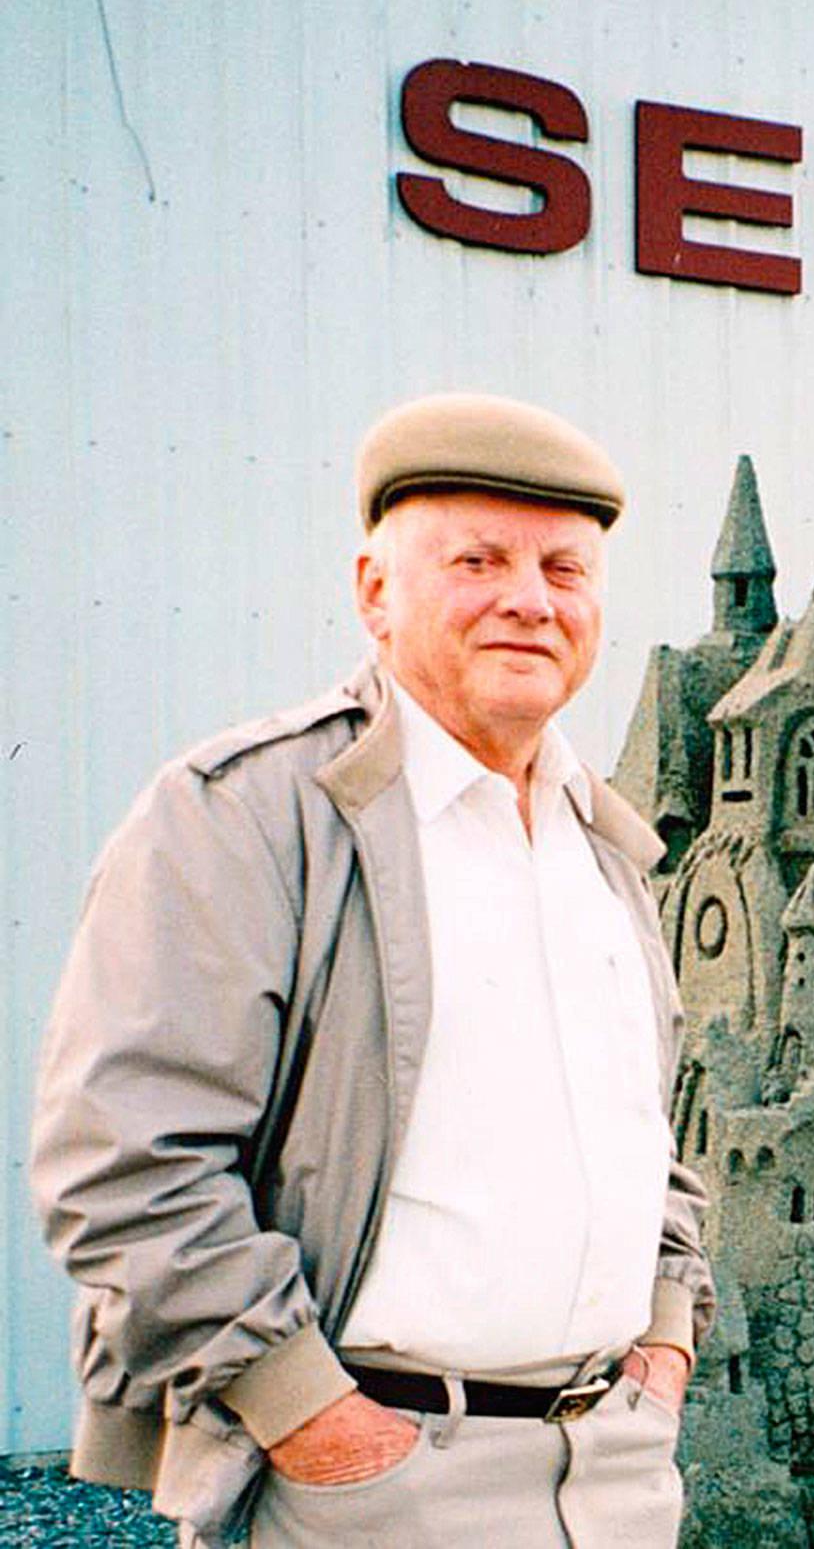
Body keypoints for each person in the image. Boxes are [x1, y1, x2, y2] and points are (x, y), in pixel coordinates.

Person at [32, 393, 715, 1547]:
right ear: (374, 590)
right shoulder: (247, 815)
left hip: (616, 1468)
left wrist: (664, 1336)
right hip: (376, 1480)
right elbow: (122, 1160)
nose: (529, 599)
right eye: (478, 559)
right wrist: (312, 1416)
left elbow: (653, 1130)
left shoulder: (607, 845)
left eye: (564, 567)